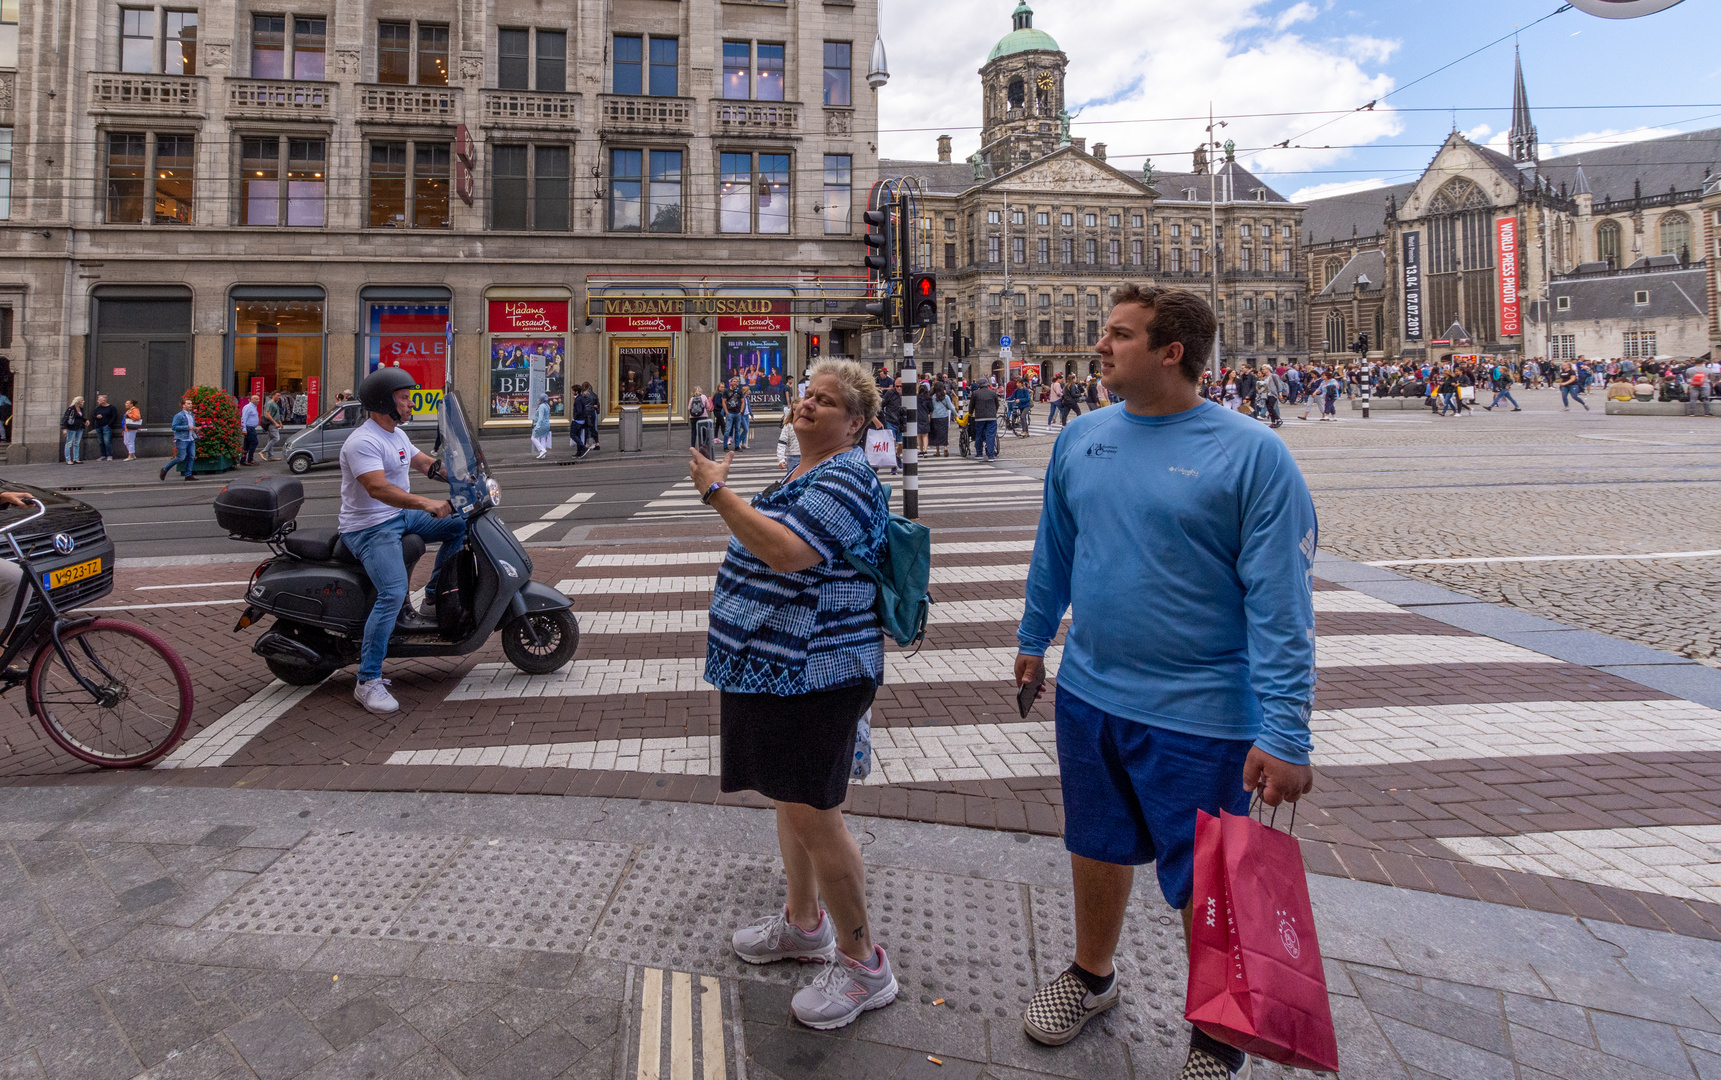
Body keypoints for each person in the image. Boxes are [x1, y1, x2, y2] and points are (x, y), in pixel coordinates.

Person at [1015, 286, 1316, 1077]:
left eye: (1117, 335)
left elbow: (1282, 605)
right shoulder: (1080, 437)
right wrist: (1032, 635)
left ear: (1170, 351)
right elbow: (1056, 546)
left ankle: (1217, 1029)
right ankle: (1090, 974)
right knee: (1095, 844)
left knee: (1207, 884)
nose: (1099, 347)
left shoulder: (1252, 454)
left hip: (1203, 712)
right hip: (1089, 694)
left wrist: (1285, 730)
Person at [689, 358, 897, 1032]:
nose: (806, 404)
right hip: (775, 666)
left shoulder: (846, 476)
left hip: (819, 671)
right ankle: (804, 926)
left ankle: (865, 966)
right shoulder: (807, 470)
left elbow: (787, 552)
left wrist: (719, 495)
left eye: (826, 400)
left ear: (855, 423)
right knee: (790, 798)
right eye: (807, 394)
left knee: (814, 811)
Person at [338, 368, 468, 716]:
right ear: (384, 402)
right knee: (392, 593)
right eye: (404, 397)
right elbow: (378, 488)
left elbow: (424, 462)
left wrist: (462, 476)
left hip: (398, 517)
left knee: (459, 525)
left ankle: (432, 597)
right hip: (369, 527)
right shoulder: (363, 441)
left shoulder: (395, 434)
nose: (410, 402)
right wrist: (427, 503)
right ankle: (367, 681)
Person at [160, 396, 199, 481]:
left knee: (191, 457)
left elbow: (192, 426)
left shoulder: (191, 415)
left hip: (190, 439)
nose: (190, 405)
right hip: (182, 439)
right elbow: (174, 427)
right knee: (181, 458)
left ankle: (188, 475)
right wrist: (188, 427)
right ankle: (165, 469)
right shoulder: (179, 415)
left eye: (191, 404)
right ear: (183, 405)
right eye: (188, 404)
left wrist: (195, 428)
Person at [969, 377, 1000, 460]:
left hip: (980, 417)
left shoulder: (975, 393)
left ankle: (979, 453)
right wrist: (994, 412)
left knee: (978, 434)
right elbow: (997, 404)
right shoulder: (993, 393)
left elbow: (971, 405)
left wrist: (970, 413)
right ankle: (990, 455)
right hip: (991, 417)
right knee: (990, 436)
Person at [91, 395, 120, 461]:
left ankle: (109, 455)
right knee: (101, 442)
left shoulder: (111, 407)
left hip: (106, 426)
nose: (97, 401)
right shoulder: (98, 408)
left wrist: (109, 424)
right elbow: (93, 414)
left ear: (104, 400)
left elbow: (114, 416)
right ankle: (103, 455)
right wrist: (96, 416)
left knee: (107, 441)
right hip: (98, 426)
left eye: (99, 399)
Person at [928, 382, 953, 456]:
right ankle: (945, 448)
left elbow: (931, 408)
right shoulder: (946, 397)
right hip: (944, 416)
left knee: (936, 434)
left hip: (935, 417)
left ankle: (938, 451)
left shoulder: (933, 397)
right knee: (944, 433)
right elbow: (951, 407)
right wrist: (957, 414)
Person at [261, 392, 286, 460]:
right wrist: (275, 423)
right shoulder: (270, 403)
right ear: (273, 395)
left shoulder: (275, 403)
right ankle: (263, 451)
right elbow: (268, 415)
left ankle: (270, 456)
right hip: (271, 424)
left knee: (270, 439)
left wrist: (280, 422)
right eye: (277, 395)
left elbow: (276, 414)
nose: (279, 397)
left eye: (280, 396)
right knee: (276, 438)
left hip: (274, 423)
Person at [61, 397, 86, 465]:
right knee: (69, 443)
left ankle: (76, 458)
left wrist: (86, 420)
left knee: (76, 443)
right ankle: (68, 459)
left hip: (80, 427)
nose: (83, 402)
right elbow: (65, 418)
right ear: (77, 401)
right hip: (71, 428)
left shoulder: (81, 409)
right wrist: (64, 428)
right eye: (82, 400)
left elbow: (81, 417)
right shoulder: (71, 409)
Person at [240, 393, 262, 465]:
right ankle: (250, 459)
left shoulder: (253, 407)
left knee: (247, 444)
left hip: (251, 428)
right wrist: (244, 429)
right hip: (249, 428)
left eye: (258, 399)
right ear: (252, 399)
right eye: (256, 399)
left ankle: (243, 459)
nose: (258, 400)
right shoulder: (248, 407)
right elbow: (244, 418)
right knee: (254, 442)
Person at [687, 385, 710, 449]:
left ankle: (692, 446)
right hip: (703, 416)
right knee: (702, 432)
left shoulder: (692, 398)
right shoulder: (704, 396)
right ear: (701, 391)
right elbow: (708, 406)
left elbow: (689, 408)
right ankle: (702, 446)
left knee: (694, 432)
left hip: (693, 417)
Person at [531, 394, 552, 458]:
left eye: (539, 398)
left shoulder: (541, 406)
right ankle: (543, 455)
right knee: (543, 438)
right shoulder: (547, 405)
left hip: (541, 425)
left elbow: (540, 418)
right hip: (547, 424)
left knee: (533, 437)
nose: (538, 399)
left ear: (541, 399)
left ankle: (542, 450)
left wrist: (537, 426)